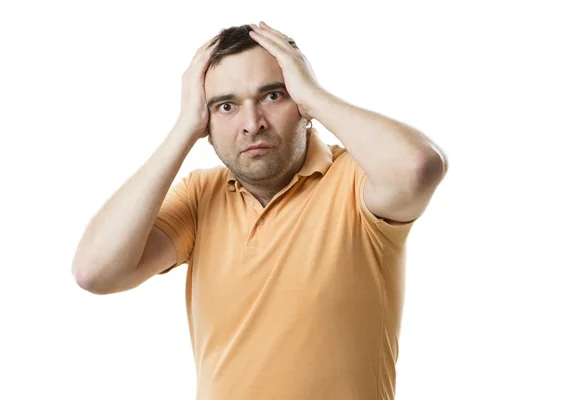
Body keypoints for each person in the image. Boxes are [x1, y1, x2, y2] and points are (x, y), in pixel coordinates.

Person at [72, 21, 448, 400]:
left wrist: (314, 96)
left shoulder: (356, 180)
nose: (252, 124)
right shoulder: (202, 195)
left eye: (273, 96)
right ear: (207, 120)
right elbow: (96, 272)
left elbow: (419, 167)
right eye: (226, 105)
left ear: (302, 103)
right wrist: (183, 129)